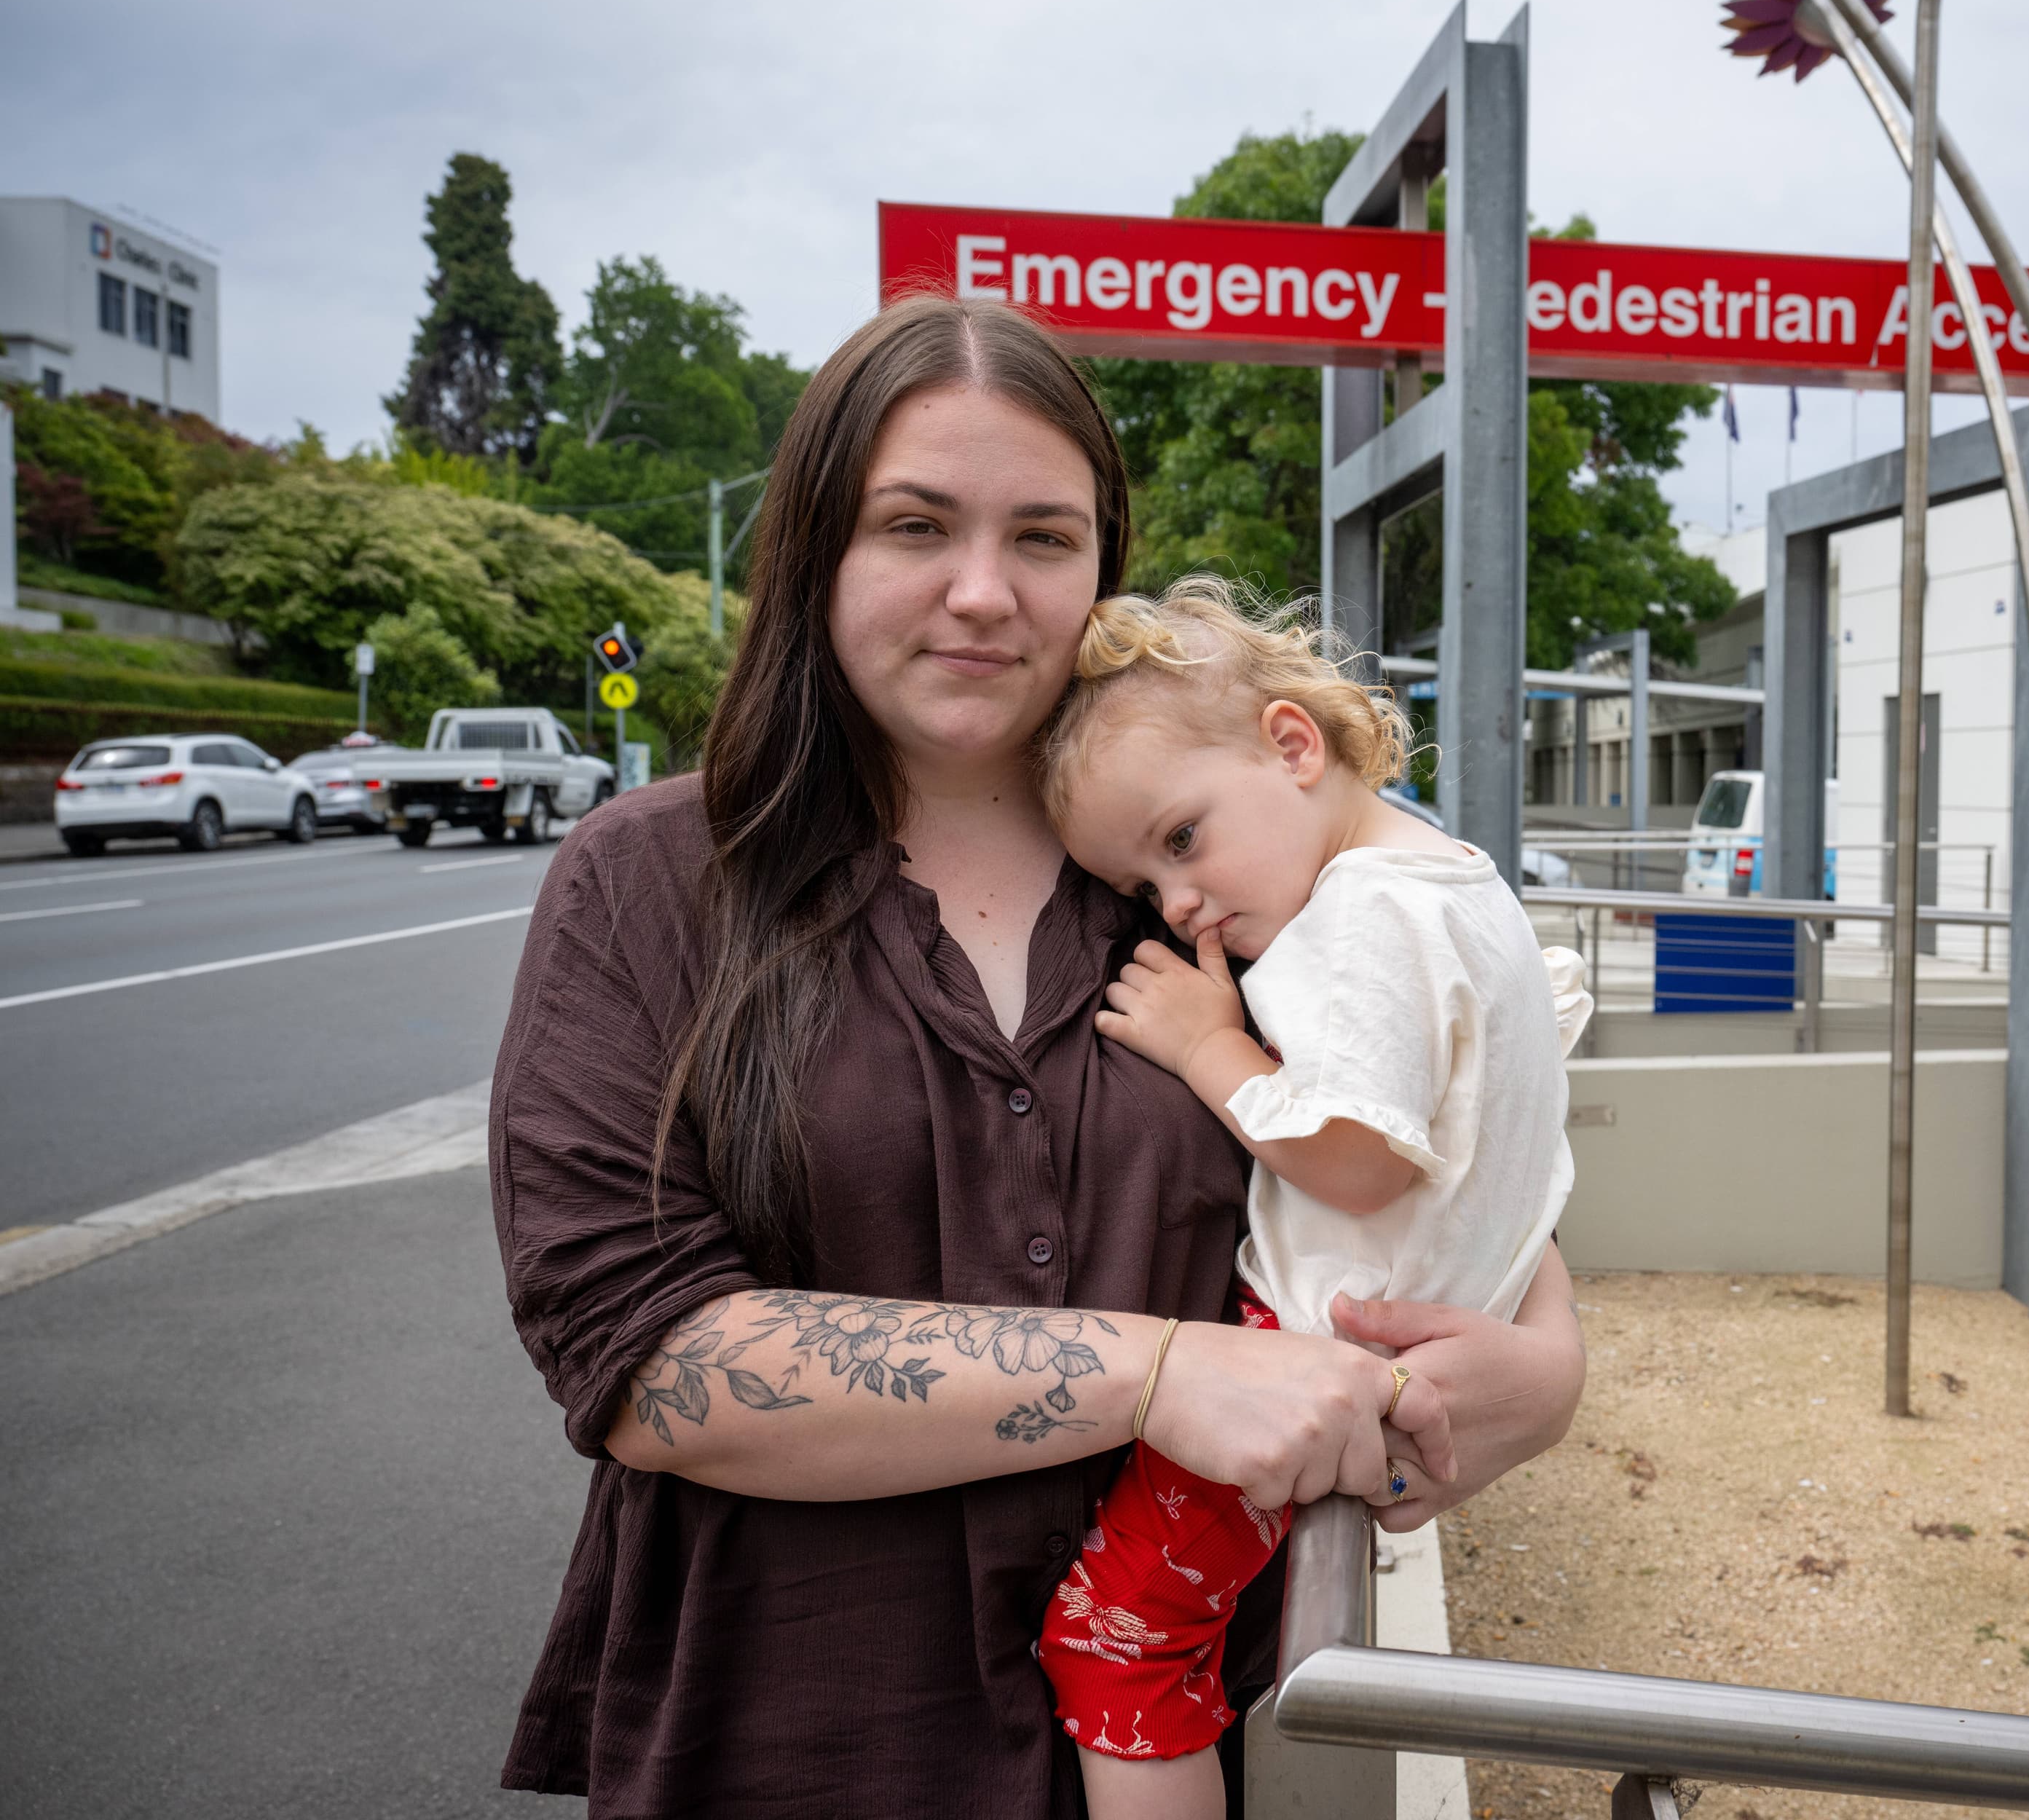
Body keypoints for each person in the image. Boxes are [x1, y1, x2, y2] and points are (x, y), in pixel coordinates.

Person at [486, 295, 1586, 1819]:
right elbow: (643, 1358)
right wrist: (1155, 1372)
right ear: (815, 552)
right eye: (916, 525)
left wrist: (1547, 1361)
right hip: (791, 1747)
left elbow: (1444, 1146)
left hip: (1210, 1731)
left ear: (1103, 570)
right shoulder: (647, 883)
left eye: (1047, 539)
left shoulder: (1225, 881)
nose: (984, 592)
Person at [1030, 578, 1595, 1818]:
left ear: (1294, 745)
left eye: (1179, 841)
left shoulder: (1362, 916)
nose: (1177, 907)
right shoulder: (1457, 881)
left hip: (1306, 1355)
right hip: (1400, 1347)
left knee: (1117, 1638)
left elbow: (1357, 1155)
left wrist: (1204, 1047)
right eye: (1144, 885)